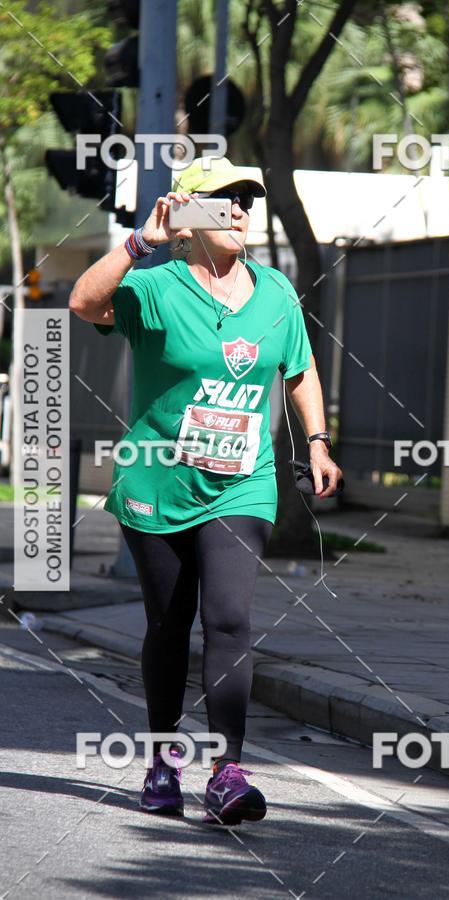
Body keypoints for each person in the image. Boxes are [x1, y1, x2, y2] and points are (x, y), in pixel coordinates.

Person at [69, 156, 342, 826]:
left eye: (246, 199)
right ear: (185, 214)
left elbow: (300, 371)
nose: (240, 210)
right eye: (221, 201)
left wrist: (316, 443)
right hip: (157, 483)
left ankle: (227, 771)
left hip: (242, 485)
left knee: (229, 618)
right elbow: (83, 302)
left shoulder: (276, 292)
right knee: (169, 626)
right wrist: (140, 241)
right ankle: (164, 758)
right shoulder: (156, 288)